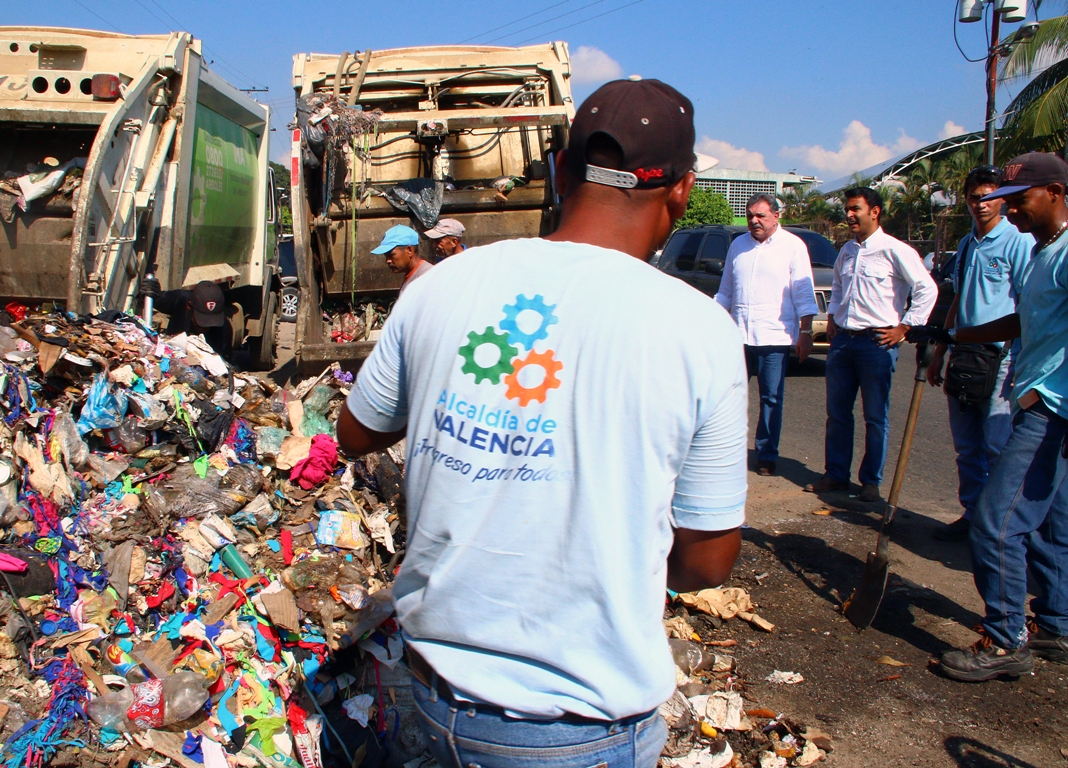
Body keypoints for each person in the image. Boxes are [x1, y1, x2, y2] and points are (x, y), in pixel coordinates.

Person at [337, 78, 747, 767]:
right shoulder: (700, 330)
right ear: (682, 190)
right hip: (581, 729)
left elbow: (356, 434)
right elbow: (706, 562)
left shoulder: (439, 286)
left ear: (559, 171)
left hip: (427, 700)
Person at [910, 152, 1068, 682]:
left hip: (1051, 411)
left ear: (1056, 192)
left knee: (995, 525)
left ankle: (1005, 640)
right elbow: (1022, 320)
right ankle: (1056, 624)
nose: (1013, 212)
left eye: (1019, 201)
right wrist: (950, 336)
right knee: (1049, 524)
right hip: (1042, 401)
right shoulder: (1046, 252)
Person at [804, 187, 937, 502]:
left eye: (855, 209)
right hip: (844, 342)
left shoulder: (896, 251)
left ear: (874, 212)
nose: (849, 215)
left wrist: (904, 327)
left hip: (876, 343)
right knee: (837, 413)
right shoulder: (847, 251)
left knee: (875, 416)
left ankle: (870, 482)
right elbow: (837, 286)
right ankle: (836, 474)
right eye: (847, 210)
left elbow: (927, 289)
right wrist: (834, 316)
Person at [926, 166, 1034, 542]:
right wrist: (940, 351)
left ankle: (1000, 524)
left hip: (1000, 359)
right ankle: (972, 515)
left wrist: (1019, 361)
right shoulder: (969, 244)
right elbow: (957, 298)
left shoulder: (1017, 242)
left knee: (996, 444)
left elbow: (1027, 305)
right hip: (964, 354)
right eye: (974, 198)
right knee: (966, 445)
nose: (981, 205)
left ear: (1001, 199)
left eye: (989, 197)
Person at [715, 193, 818, 476]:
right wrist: (712, 323)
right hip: (740, 335)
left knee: (771, 398)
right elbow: (726, 292)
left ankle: (766, 454)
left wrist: (806, 332)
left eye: (760, 215)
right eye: (750, 215)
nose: (754, 221)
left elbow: (804, 293)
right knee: (729, 395)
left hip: (775, 336)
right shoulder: (738, 246)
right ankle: (727, 449)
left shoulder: (793, 246)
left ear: (776, 216)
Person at [140, 278, 233, 359]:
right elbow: (157, 299)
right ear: (189, 306)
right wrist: (150, 291)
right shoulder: (181, 300)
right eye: (202, 321)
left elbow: (220, 362)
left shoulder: (224, 331)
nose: (206, 327)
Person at [372, 224, 432, 295]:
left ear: (409, 250)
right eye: (386, 256)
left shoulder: (427, 277)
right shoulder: (412, 277)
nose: (387, 261)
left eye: (391, 255)